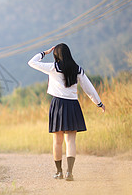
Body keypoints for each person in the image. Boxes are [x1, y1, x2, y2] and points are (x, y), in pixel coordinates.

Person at [28, 43, 105, 181]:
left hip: (58, 105)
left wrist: (44, 53)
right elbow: (89, 89)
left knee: (57, 141)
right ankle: (70, 172)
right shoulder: (78, 69)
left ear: (56, 55)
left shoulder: (53, 67)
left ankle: (59, 172)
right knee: (71, 141)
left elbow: (31, 62)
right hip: (72, 105)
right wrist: (99, 103)